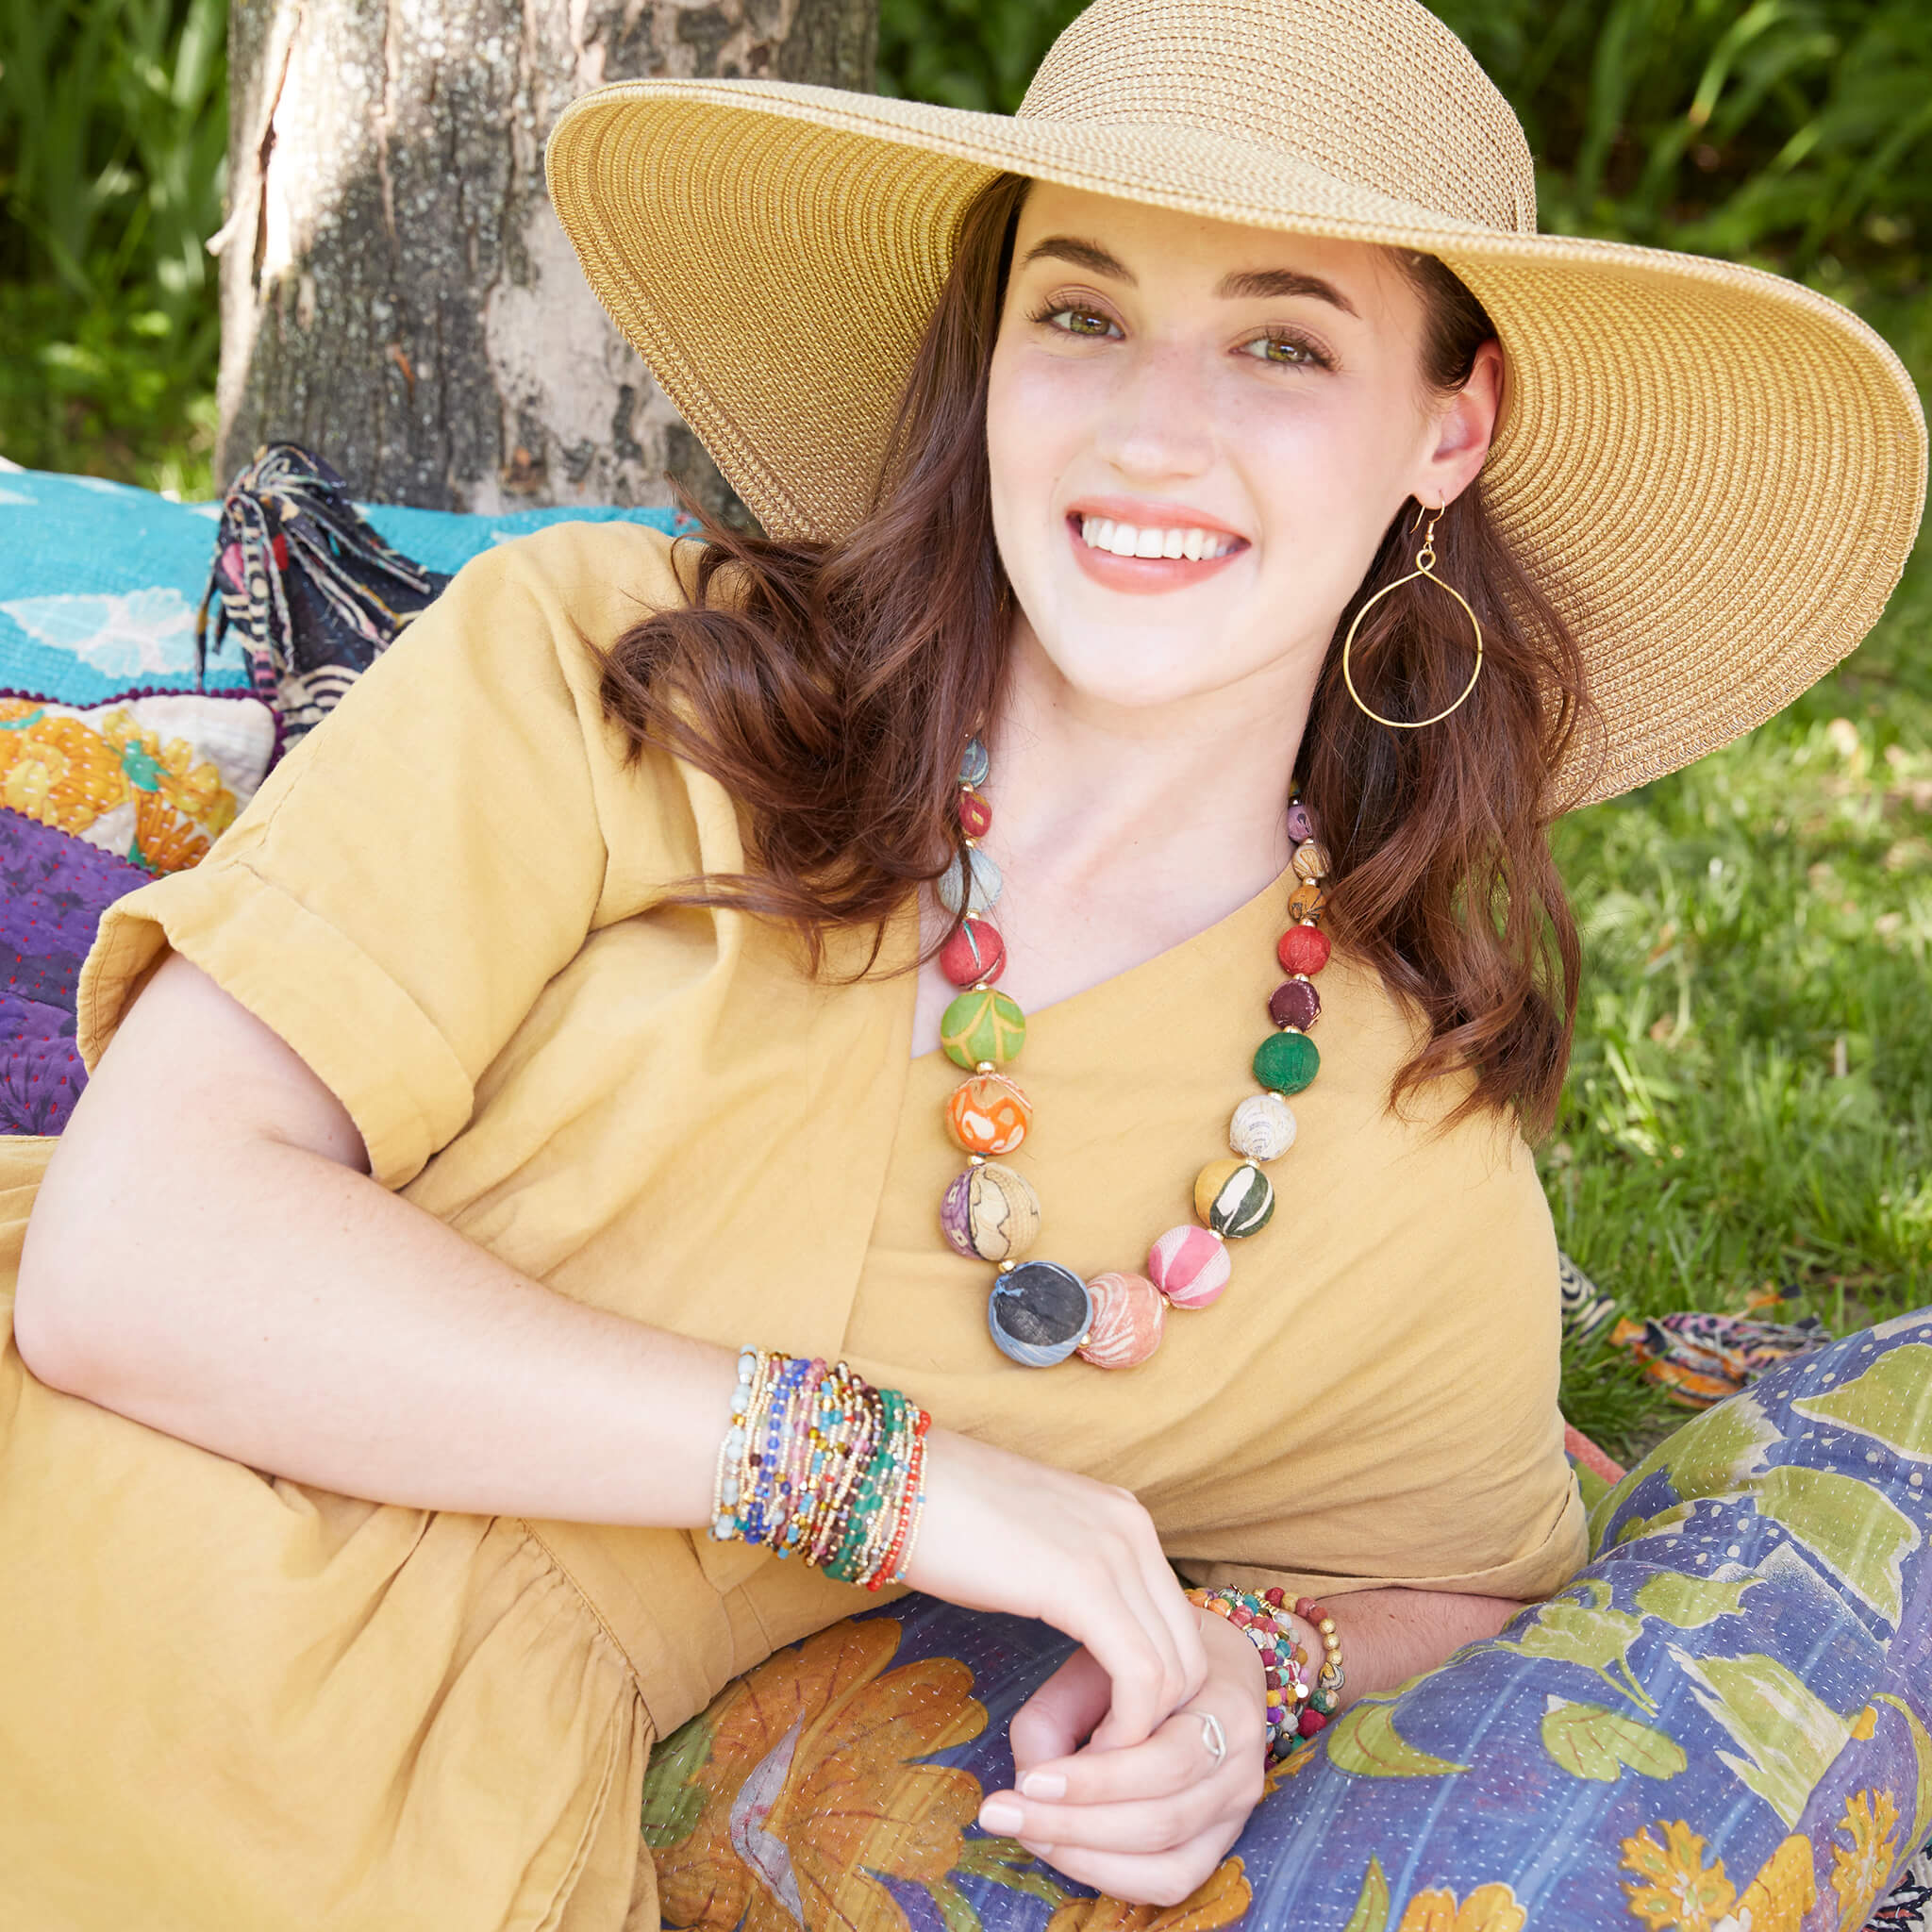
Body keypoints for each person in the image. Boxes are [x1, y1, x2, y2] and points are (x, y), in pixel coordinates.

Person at [1, 0, 1922, 1924]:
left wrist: (1258, 1673)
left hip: (405, 1839)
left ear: (1450, 422)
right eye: (1078, 314)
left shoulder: (1386, 1156)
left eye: (1278, 342)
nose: (1148, 428)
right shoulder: (617, 672)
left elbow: (1479, 1577)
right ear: (987, 362)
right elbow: (131, 1255)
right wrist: (898, 1480)